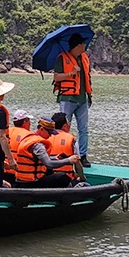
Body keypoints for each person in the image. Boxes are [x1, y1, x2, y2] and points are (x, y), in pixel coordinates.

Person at [54, 33, 93, 167]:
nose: (85, 46)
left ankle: (82, 156)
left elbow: (87, 78)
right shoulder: (62, 58)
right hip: (67, 98)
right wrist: (71, 73)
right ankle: (64, 153)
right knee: (64, 127)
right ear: (78, 45)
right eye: (83, 44)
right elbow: (56, 77)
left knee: (84, 128)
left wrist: (89, 96)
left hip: (82, 99)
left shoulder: (84, 58)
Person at [14, 117, 80, 188]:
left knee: (49, 171)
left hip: (20, 181)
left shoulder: (29, 138)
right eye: (49, 132)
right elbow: (49, 164)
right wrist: (68, 160)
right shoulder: (38, 145)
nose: (50, 136)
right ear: (41, 129)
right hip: (31, 183)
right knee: (63, 177)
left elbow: (35, 159)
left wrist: (54, 158)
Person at [47, 111, 82, 181]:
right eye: (68, 122)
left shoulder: (44, 137)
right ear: (65, 126)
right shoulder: (71, 139)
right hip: (66, 180)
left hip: (47, 178)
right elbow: (77, 164)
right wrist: (82, 177)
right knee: (85, 184)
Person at [3, 109, 34, 185]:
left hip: (3, 171)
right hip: (18, 174)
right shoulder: (29, 135)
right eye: (29, 121)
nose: (30, 123)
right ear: (25, 121)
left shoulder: (6, 132)